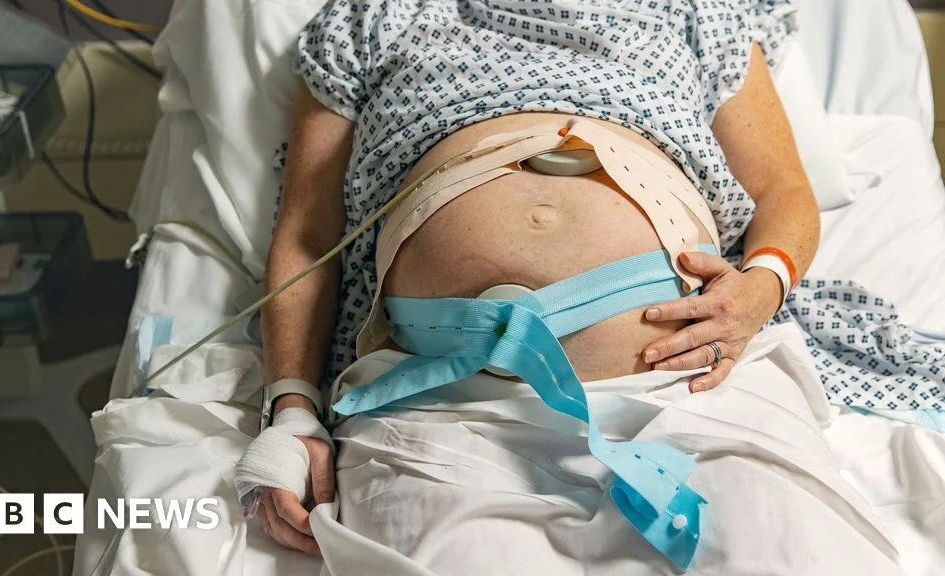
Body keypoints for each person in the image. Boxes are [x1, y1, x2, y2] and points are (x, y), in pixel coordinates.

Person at [252, 0, 834, 566]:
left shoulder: (698, 10)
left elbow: (784, 193)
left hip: (686, 382)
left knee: (786, 553)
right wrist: (292, 411)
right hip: (438, 402)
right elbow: (307, 237)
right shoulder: (372, 17)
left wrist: (761, 290)